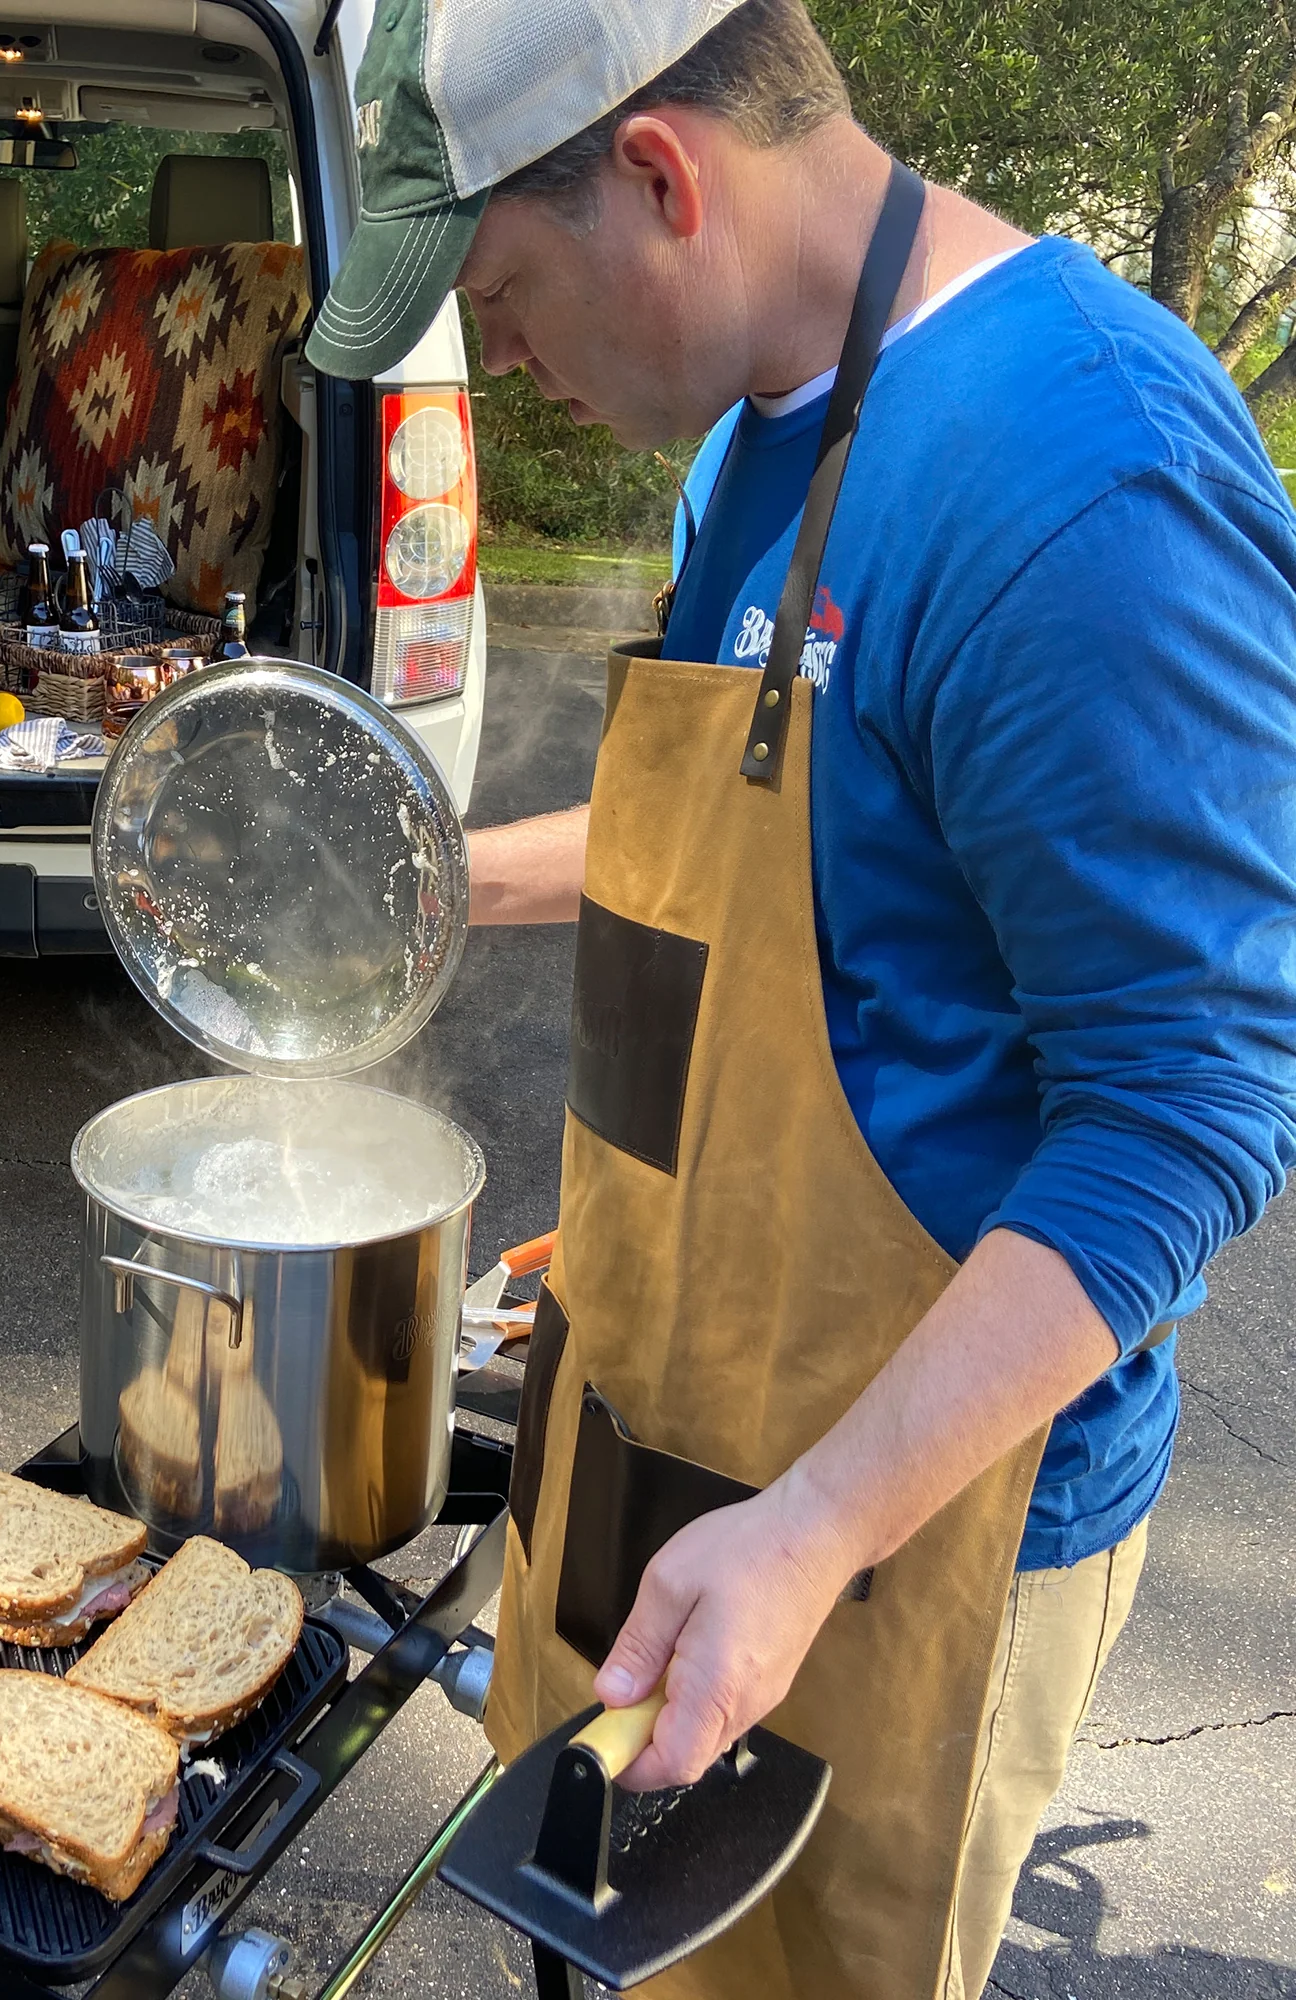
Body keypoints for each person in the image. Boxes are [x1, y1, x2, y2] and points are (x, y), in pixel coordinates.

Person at [306, 2, 1296, 1996]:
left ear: (661, 181)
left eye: (500, 295)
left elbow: (1188, 1110)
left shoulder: (1078, 484)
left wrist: (820, 1523)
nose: (500, 360)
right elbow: (778, 835)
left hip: (893, 1518)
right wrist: (420, 893)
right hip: (671, 1418)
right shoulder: (764, 427)